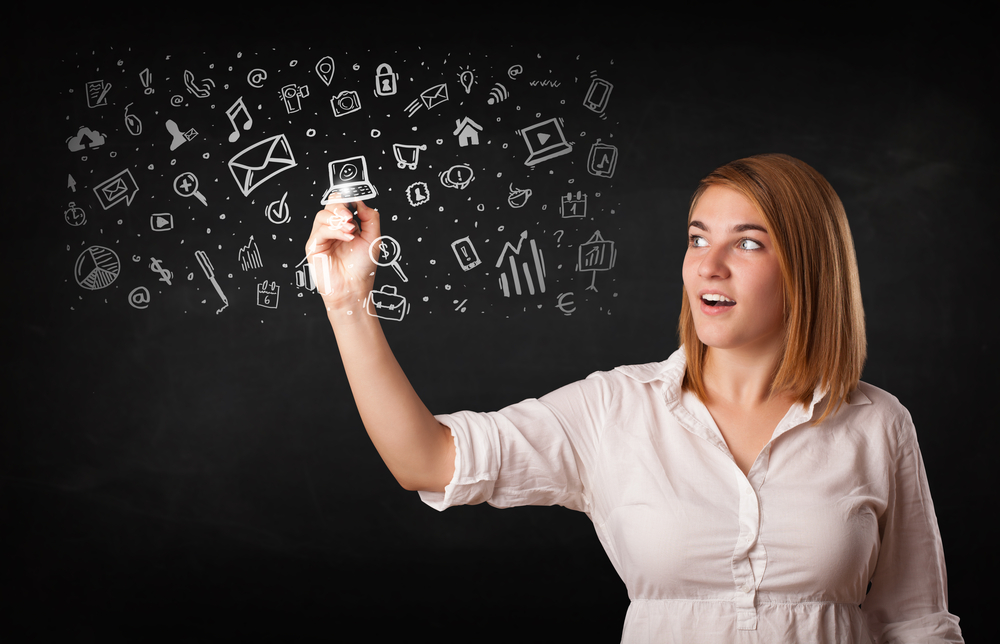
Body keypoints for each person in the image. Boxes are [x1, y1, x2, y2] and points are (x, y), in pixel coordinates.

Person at [304, 153, 963, 643]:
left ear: (809, 269)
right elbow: (426, 459)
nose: (709, 264)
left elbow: (916, 622)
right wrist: (346, 299)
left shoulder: (877, 424)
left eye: (749, 243)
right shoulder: (615, 410)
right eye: (699, 237)